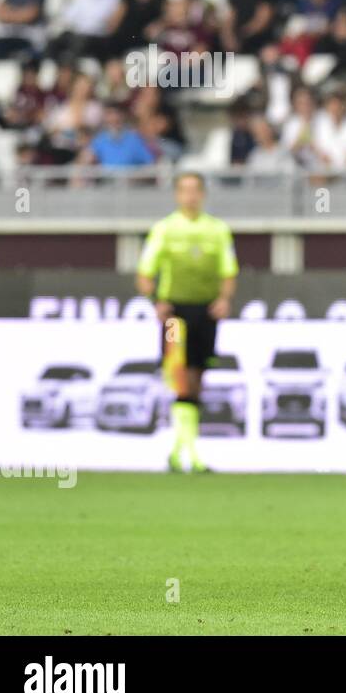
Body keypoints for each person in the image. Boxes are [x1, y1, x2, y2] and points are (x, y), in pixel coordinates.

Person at [135, 173, 239, 473]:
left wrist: (223, 299)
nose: (190, 196)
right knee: (179, 378)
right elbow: (144, 274)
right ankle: (189, 453)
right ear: (177, 195)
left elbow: (229, 272)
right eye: (185, 190)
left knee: (198, 378)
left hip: (205, 312)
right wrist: (157, 300)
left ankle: (179, 450)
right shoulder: (164, 229)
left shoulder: (217, 230)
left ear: (203, 194)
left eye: (195, 190)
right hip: (175, 314)